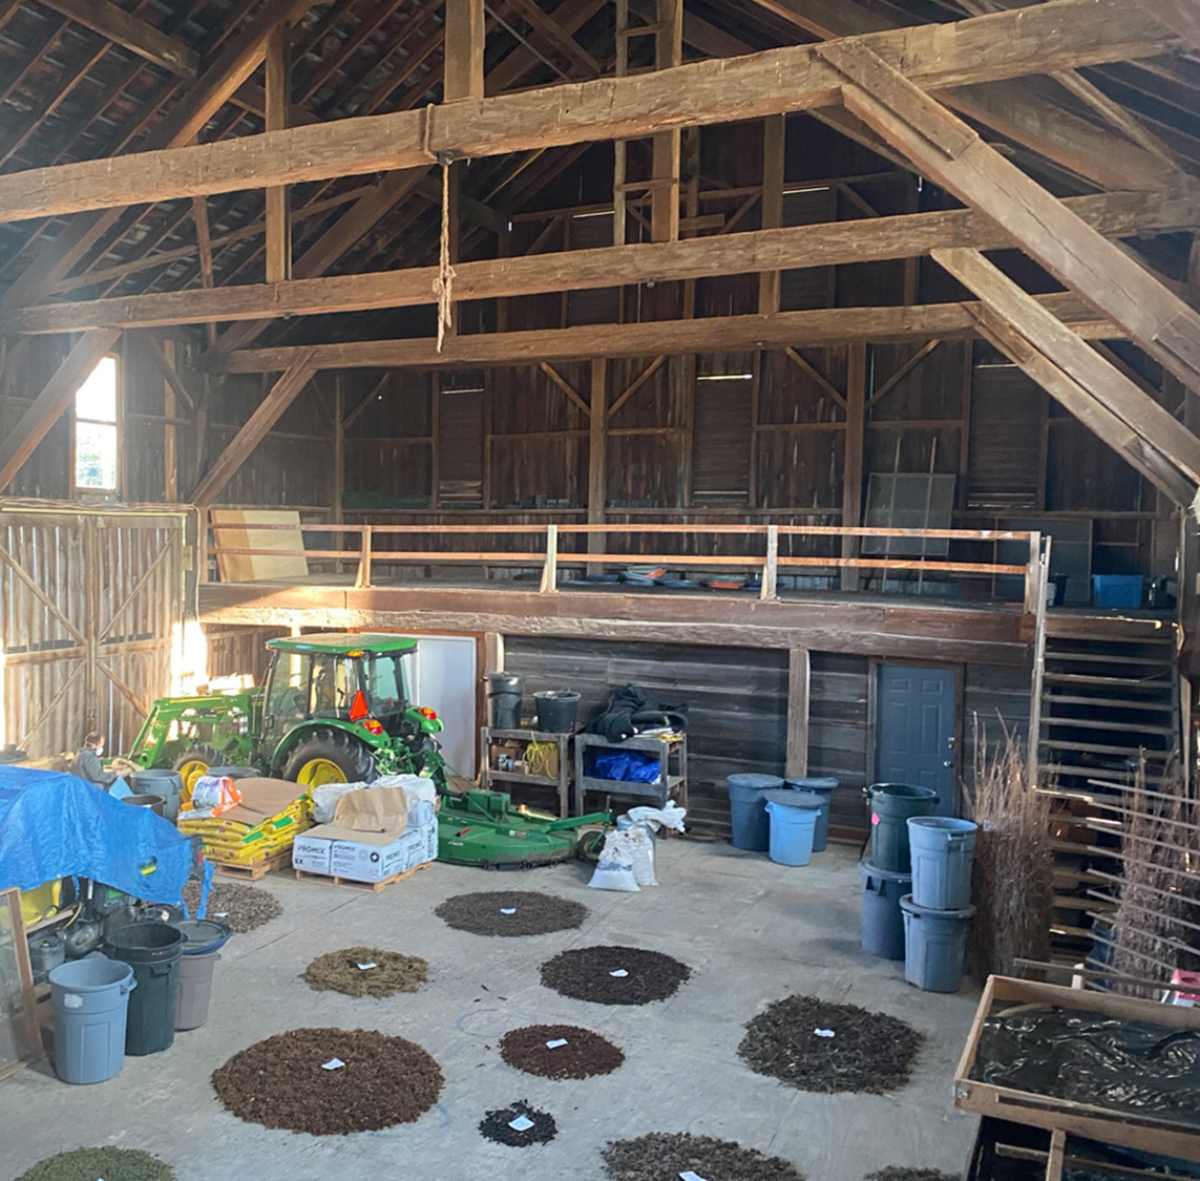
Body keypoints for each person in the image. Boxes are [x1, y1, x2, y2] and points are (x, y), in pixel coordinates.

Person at [70, 732, 131, 797]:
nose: (102, 747)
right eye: (101, 745)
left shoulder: (80, 754)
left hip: (82, 787)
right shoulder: (90, 757)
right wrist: (114, 774)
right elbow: (98, 777)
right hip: (91, 790)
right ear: (94, 745)